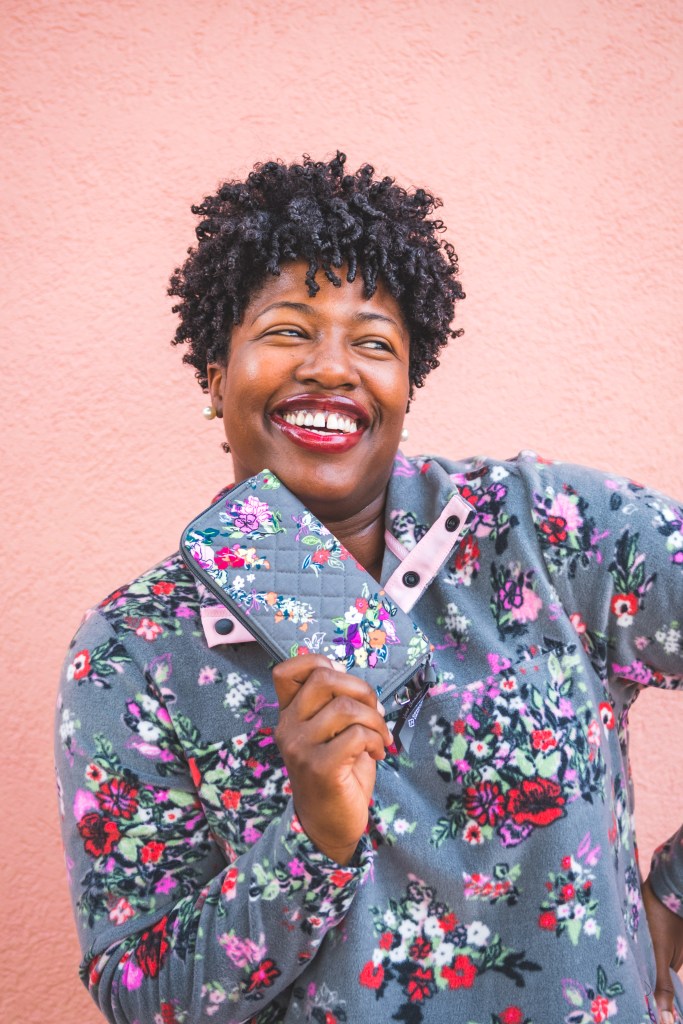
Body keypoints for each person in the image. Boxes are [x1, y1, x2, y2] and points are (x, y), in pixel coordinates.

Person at [56, 153, 683, 1024]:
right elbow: (140, 992)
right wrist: (310, 841)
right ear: (215, 376)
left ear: (406, 386)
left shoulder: (546, 528)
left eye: (374, 342)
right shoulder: (136, 649)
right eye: (287, 330)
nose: (330, 367)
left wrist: (673, 898)